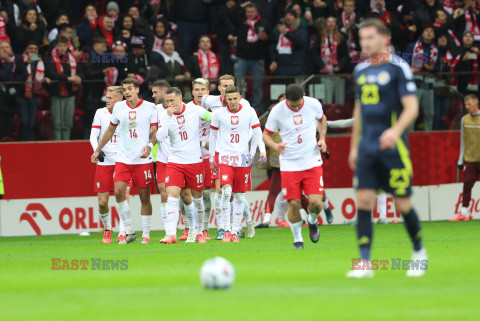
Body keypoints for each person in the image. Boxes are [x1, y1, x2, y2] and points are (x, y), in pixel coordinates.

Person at [347, 18, 427, 278]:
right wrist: (353, 147)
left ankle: (418, 253)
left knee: (402, 203)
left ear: (385, 39)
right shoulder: (360, 70)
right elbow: (358, 111)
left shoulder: (398, 68)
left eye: (370, 38)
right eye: (362, 39)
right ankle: (365, 263)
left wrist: (395, 130)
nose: (365, 43)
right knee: (364, 201)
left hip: (393, 149)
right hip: (367, 148)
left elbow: (412, 107)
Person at [91, 78, 158, 245]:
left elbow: (156, 130)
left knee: (144, 197)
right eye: (125, 89)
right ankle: (129, 231)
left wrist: (149, 146)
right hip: (123, 159)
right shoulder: (119, 107)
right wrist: (98, 149)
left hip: (143, 160)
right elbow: (111, 129)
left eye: (130, 89)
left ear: (137, 89)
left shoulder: (150, 107)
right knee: (120, 193)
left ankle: (146, 234)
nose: (127, 92)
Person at [263, 84, 327, 250]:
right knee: (294, 204)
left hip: (312, 161)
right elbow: (266, 134)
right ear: (285, 99)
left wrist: (322, 139)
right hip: (289, 164)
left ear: (303, 96)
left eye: (298, 104)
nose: (296, 107)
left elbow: (322, 119)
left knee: (316, 203)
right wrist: (275, 145)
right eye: (292, 105)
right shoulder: (277, 111)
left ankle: (312, 221)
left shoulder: (313, 104)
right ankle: (298, 240)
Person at [201, 74, 258, 240]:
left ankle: (245, 221)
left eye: (230, 85)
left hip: (240, 154)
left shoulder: (244, 105)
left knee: (237, 194)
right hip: (221, 153)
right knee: (224, 191)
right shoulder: (211, 102)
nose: (227, 88)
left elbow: (250, 130)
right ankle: (224, 228)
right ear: (219, 89)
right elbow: (203, 112)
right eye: (224, 86)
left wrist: (243, 146)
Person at [209, 85, 266, 242]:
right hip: (225, 158)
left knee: (240, 197)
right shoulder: (218, 113)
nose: (232, 102)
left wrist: (261, 151)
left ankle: (236, 230)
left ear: (240, 98)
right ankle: (226, 229)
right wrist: (212, 157)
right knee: (226, 192)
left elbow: (257, 132)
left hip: (242, 158)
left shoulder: (249, 112)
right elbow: (213, 135)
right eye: (229, 99)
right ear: (225, 100)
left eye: (235, 99)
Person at [156, 87, 212, 244]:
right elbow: (160, 137)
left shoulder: (195, 110)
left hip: (194, 162)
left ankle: (199, 231)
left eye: (172, 100)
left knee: (198, 199)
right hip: (175, 161)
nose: (169, 104)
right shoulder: (164, 115)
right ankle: (171, 234)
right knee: (171, 195)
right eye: (167, 102)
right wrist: (167, 117)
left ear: (180, 99)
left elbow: (212, 118)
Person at [89, 86, 124, 243]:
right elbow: (93, 135)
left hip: (122, 162)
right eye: (107, 97)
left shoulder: (126, 113)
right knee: (102, 202)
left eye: (110, 98)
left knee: (123, 196)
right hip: (104, 162)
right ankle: (107, 229)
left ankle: (124, 231)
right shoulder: (100, 113)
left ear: (119, 100)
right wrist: (97, 150)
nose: (107, 100)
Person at [183, 78, 213, 240]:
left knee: (206, 195)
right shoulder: (186, 108)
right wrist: (202, 142)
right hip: (190, 156)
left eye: (203, 89)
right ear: (192, 92)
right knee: (185, 195)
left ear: (208, 91)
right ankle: (189, 227)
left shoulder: (213, 107)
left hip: (208, 157)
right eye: (197, 89)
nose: (200, 92)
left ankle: (205, 227)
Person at [234, 3, 273, 111]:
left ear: (257, 12)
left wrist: (266, 38)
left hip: (257, 58)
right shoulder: (241, 21)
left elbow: (272, 39)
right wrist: (241, 5)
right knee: (239, 84)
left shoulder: (264, 22)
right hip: (242, 57)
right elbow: (228, 14)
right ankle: (238, 106)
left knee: (257, 85)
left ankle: (257, 109)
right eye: (247, 12)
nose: (249, 14)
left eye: (252, 12)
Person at [44, 36, 83, 141]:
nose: (62, 48)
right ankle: (58, 144)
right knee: (57, 122)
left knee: (68, 122)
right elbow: (52, 73)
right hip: (56, 93)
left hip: (70, 93)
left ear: (67, 47)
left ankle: (66, 143)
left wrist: (79, 78)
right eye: (60, 45)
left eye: (64, 46)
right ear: (56, 46)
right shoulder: (50, 57)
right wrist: (68, 78)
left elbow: (80, 71)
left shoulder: (72, 58)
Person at [406, 24, 439, 131]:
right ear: (422, 33)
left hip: (429, 84)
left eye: (431, 31)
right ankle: (409, 137)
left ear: (434, 35)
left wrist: (432, 68)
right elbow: (405, 63)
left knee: (430, 113)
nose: (429, 32)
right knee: (412, 113)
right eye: (426, 30)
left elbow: (438, 67)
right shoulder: (412, 46)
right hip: (414, 83)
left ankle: (427, 137)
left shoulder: (435, 49)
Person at [453, 94, 480, 221]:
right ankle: (464, 213)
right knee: (466, 186)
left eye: (469, 104)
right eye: (465, 105)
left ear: (476, 103)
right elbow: (462, 140)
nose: (467, 107)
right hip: (470, 160)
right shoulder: (464, 119)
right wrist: (460, 159)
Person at [151, 80, 172, 238]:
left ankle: (191, 228)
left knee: (186, 195)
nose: (153, 96)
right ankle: (168, 231)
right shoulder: (154, 110)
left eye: (155, 92)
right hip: (161, 158)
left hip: (182, 157)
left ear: (165, 93)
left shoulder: (181, 108)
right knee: (164, 193)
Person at [17, 42, 49, 141]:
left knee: (31, 122)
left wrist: (45, 79)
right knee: (24, 121)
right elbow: (18, 73)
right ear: (26, 50)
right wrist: (27, 63)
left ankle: (28, 143)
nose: (33, 50)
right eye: (30, 48)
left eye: (35, 49)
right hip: (22, 94)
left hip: (34, 94)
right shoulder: (20, 59)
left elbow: (43, 75)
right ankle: (23, 142)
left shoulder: (40, 61)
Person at [0, 40, 28, 140]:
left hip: (18, 95)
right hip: (2, 99)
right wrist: (9, 62)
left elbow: (24, 75)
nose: (4, 49)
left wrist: (11, 82)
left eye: (6, 47)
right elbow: (2, 76)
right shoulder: (7, 62)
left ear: (11, 49)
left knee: (24, 121)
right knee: (4, 124)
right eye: (1, 47)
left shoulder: (19, 58)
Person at [269, 8, 308, 77]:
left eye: (291, 15)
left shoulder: (301, 30)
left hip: (296, 67)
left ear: (295, 18)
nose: (288, 17)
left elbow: (301, 43)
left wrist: (287, 34)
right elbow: (273, 47)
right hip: (281, 68)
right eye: (286, 15)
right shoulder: (279, 30)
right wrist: (273, 60)